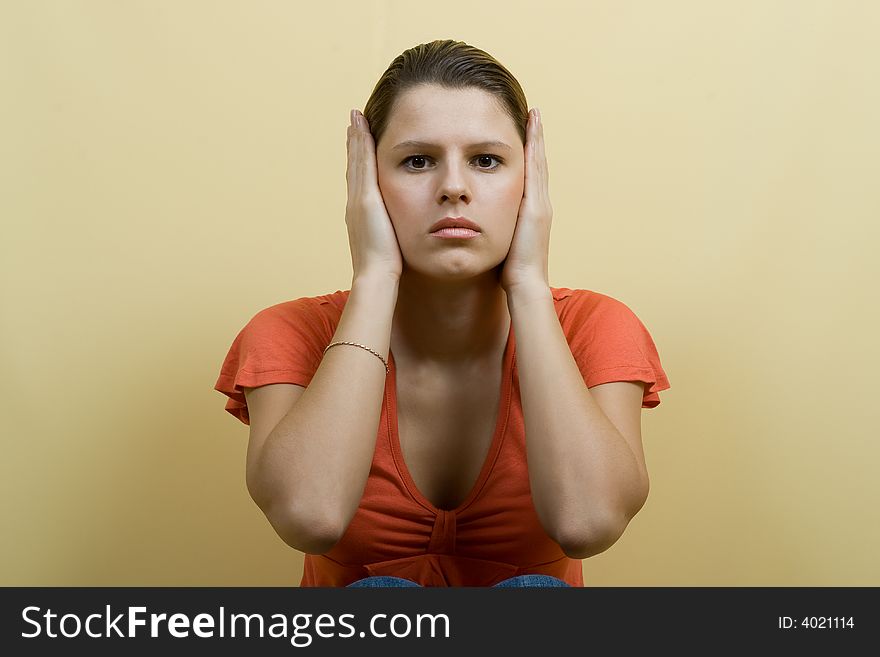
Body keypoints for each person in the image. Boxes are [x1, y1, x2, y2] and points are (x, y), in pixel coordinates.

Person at [214, 39, 670, 587]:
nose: (454, 187)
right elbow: (310, 517)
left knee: (535, 595)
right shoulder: (287, 332)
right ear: (367, 184)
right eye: (417, 161)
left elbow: (587, 523)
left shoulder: (597, 326)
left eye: (486, 161)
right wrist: (375, 278)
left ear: (530, 179)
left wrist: (528, 284)